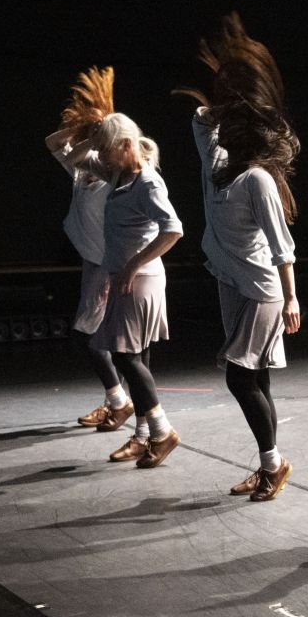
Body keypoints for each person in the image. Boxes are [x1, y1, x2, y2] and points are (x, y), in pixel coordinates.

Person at [180, 13, 301, 501]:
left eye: (232, 125)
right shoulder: (217, 165)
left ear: (244, 133)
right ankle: (269, 462)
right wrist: (229, 100)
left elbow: (281, 245)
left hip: (263, 290)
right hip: (229, 280)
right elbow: (199, 120)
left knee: (238, 375)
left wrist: (292, 298)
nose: (222, 131)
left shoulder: (258, 180)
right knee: (255, 378)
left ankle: (274, 464)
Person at [88, 112, 184, 468]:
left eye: (107, 149)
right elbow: (72, 156)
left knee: (125, 357)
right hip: (127, 279)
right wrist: (92, 130)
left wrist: (131, 265)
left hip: (139, 280)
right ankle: (143, 436)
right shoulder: (119, 176)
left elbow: (173, 230)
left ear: (126, 145)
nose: (102, 157)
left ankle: (162, 431)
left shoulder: (147, 183)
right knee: (136, 357)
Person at [45, 66, 133, 433]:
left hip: (107, 264)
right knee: (99, 335)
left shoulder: (114, 175)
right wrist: (86, 129)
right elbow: (54, 144)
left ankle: (119, 401)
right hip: (90, 259)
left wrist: (103, 134)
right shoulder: (82, 170)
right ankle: (116, 400)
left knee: (90, 336)